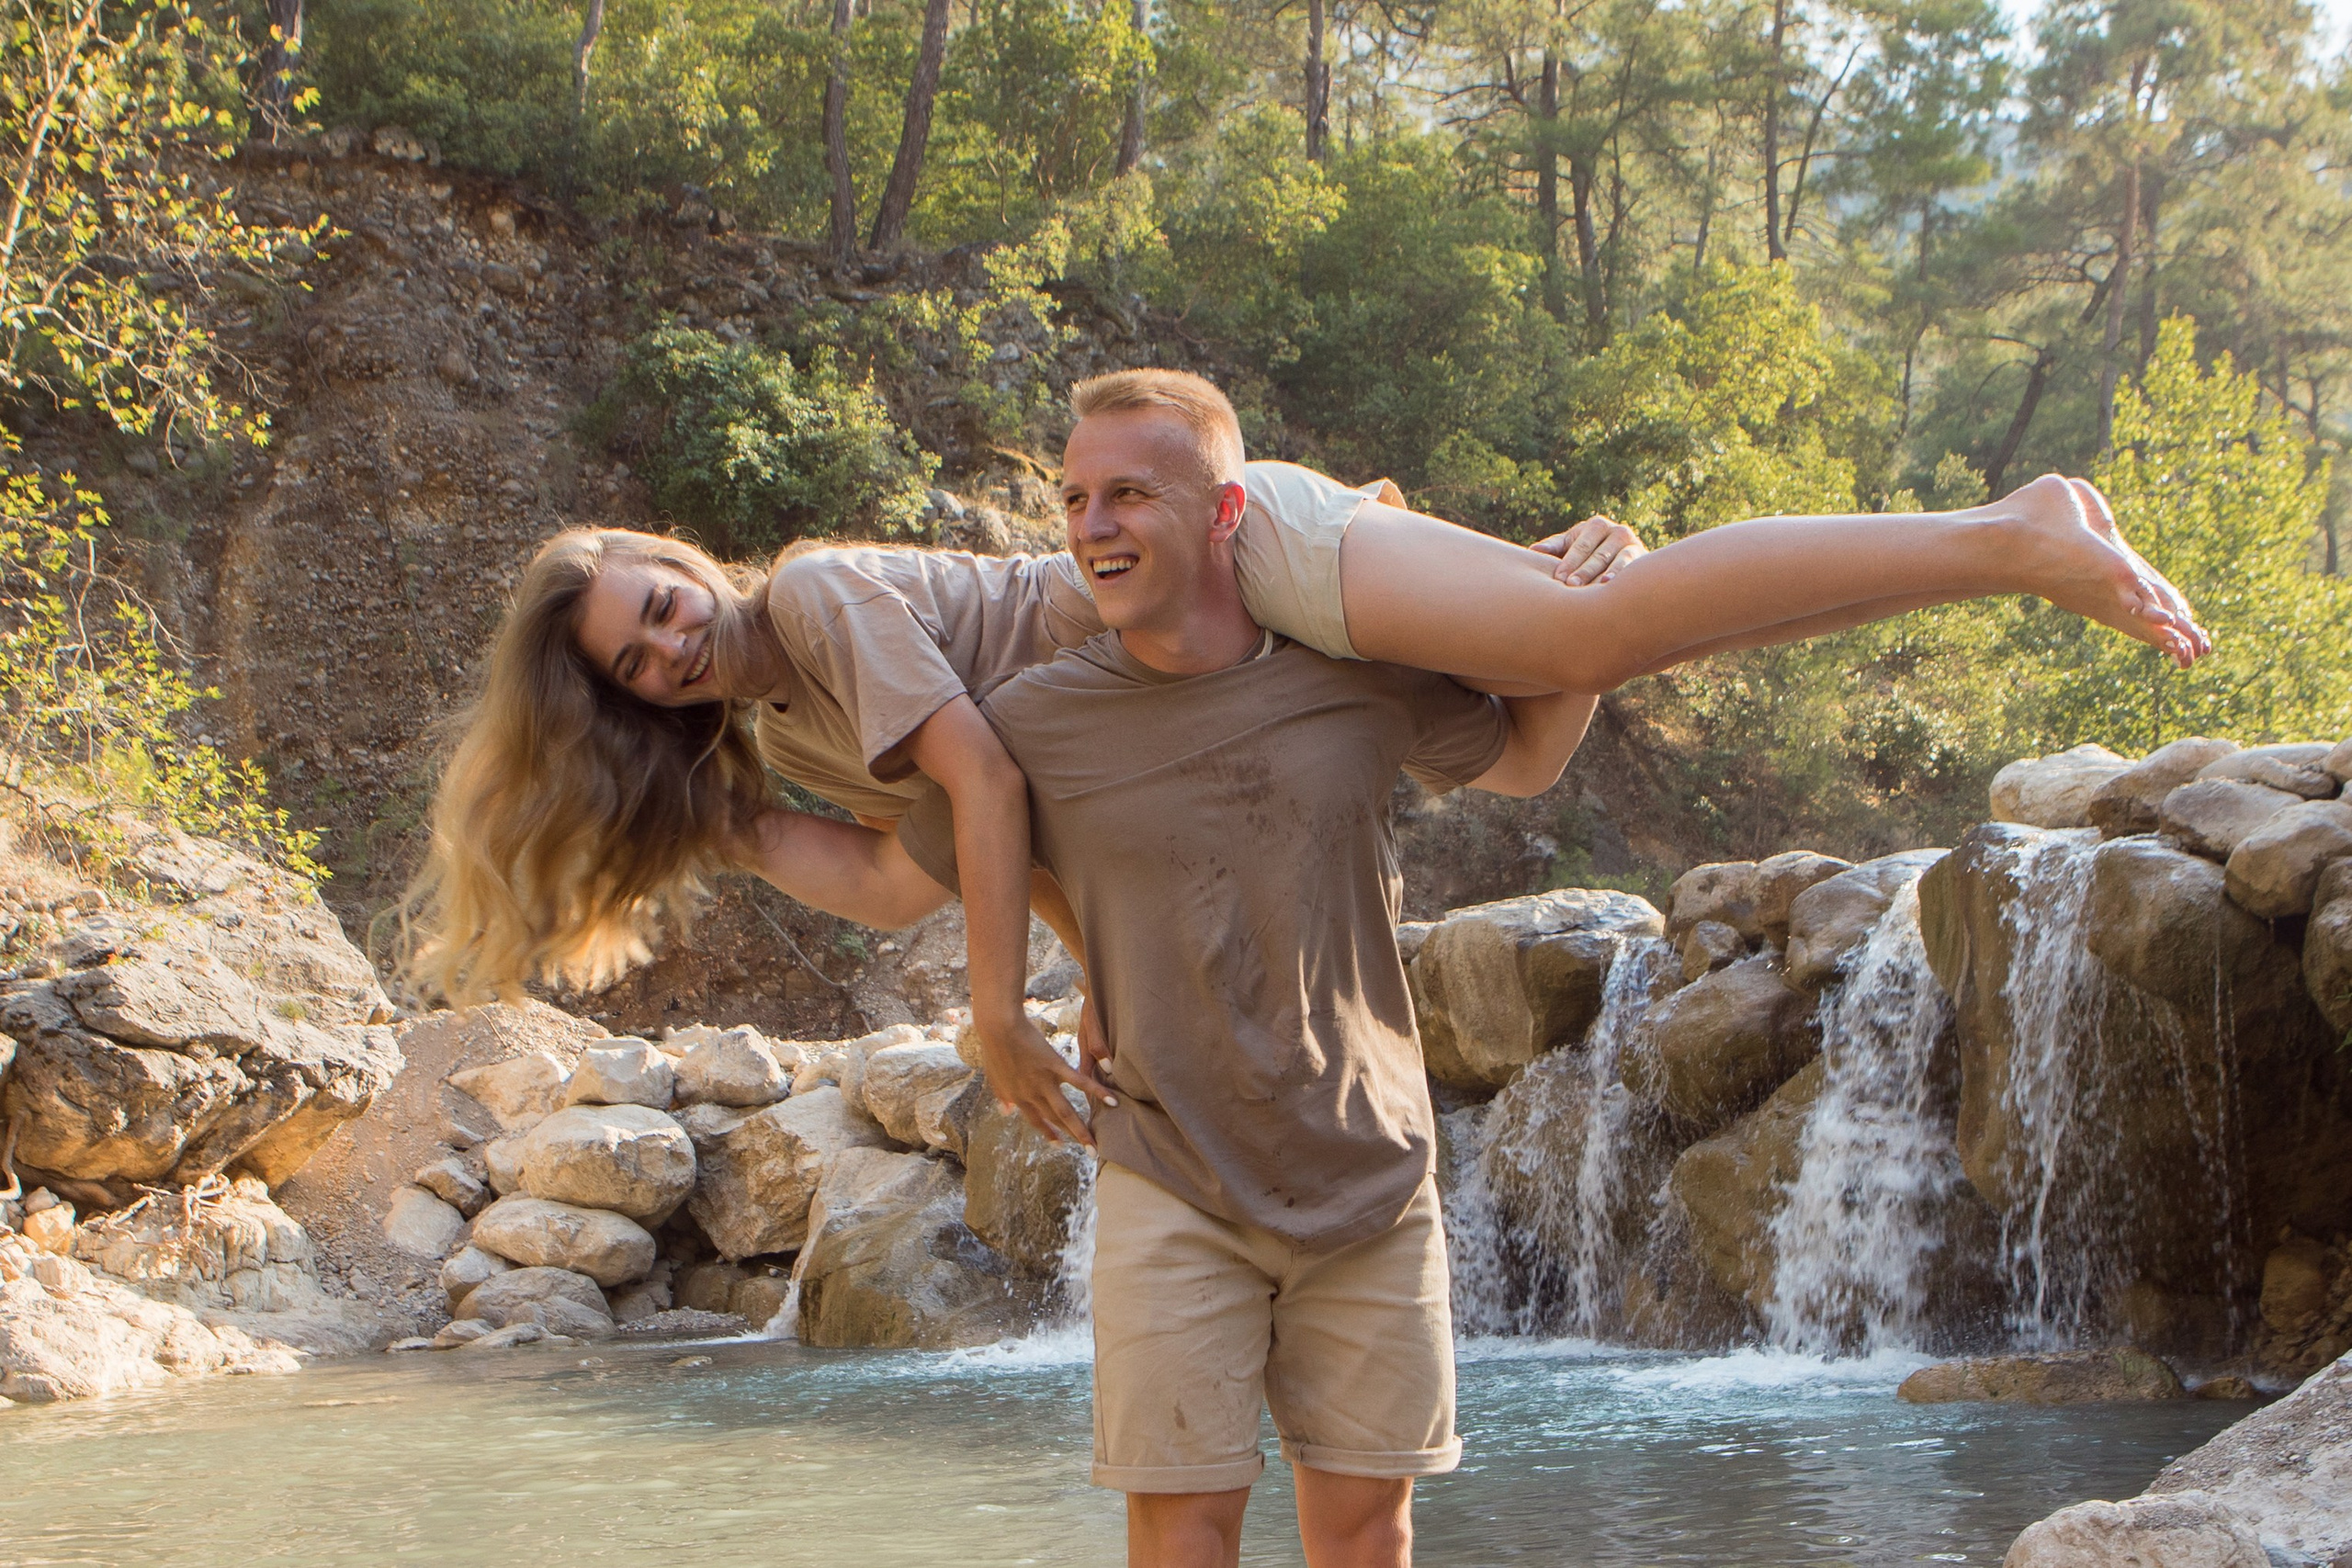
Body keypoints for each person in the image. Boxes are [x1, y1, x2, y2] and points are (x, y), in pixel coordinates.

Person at [403, 369, 2208, 1153]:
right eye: (632, 660)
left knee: (1586, 638)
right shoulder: (774, 742)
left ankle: (2011, 528)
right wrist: (712, 834)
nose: (667, 640)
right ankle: (1603, 573)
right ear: (621, 707)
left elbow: (987, 788)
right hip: (1231, 671)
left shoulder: (808, 599)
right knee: (1538, 732)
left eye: (657, 600)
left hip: (1237, 558)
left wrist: (1010, 1013)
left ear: (682, 559)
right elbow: (921, 868)